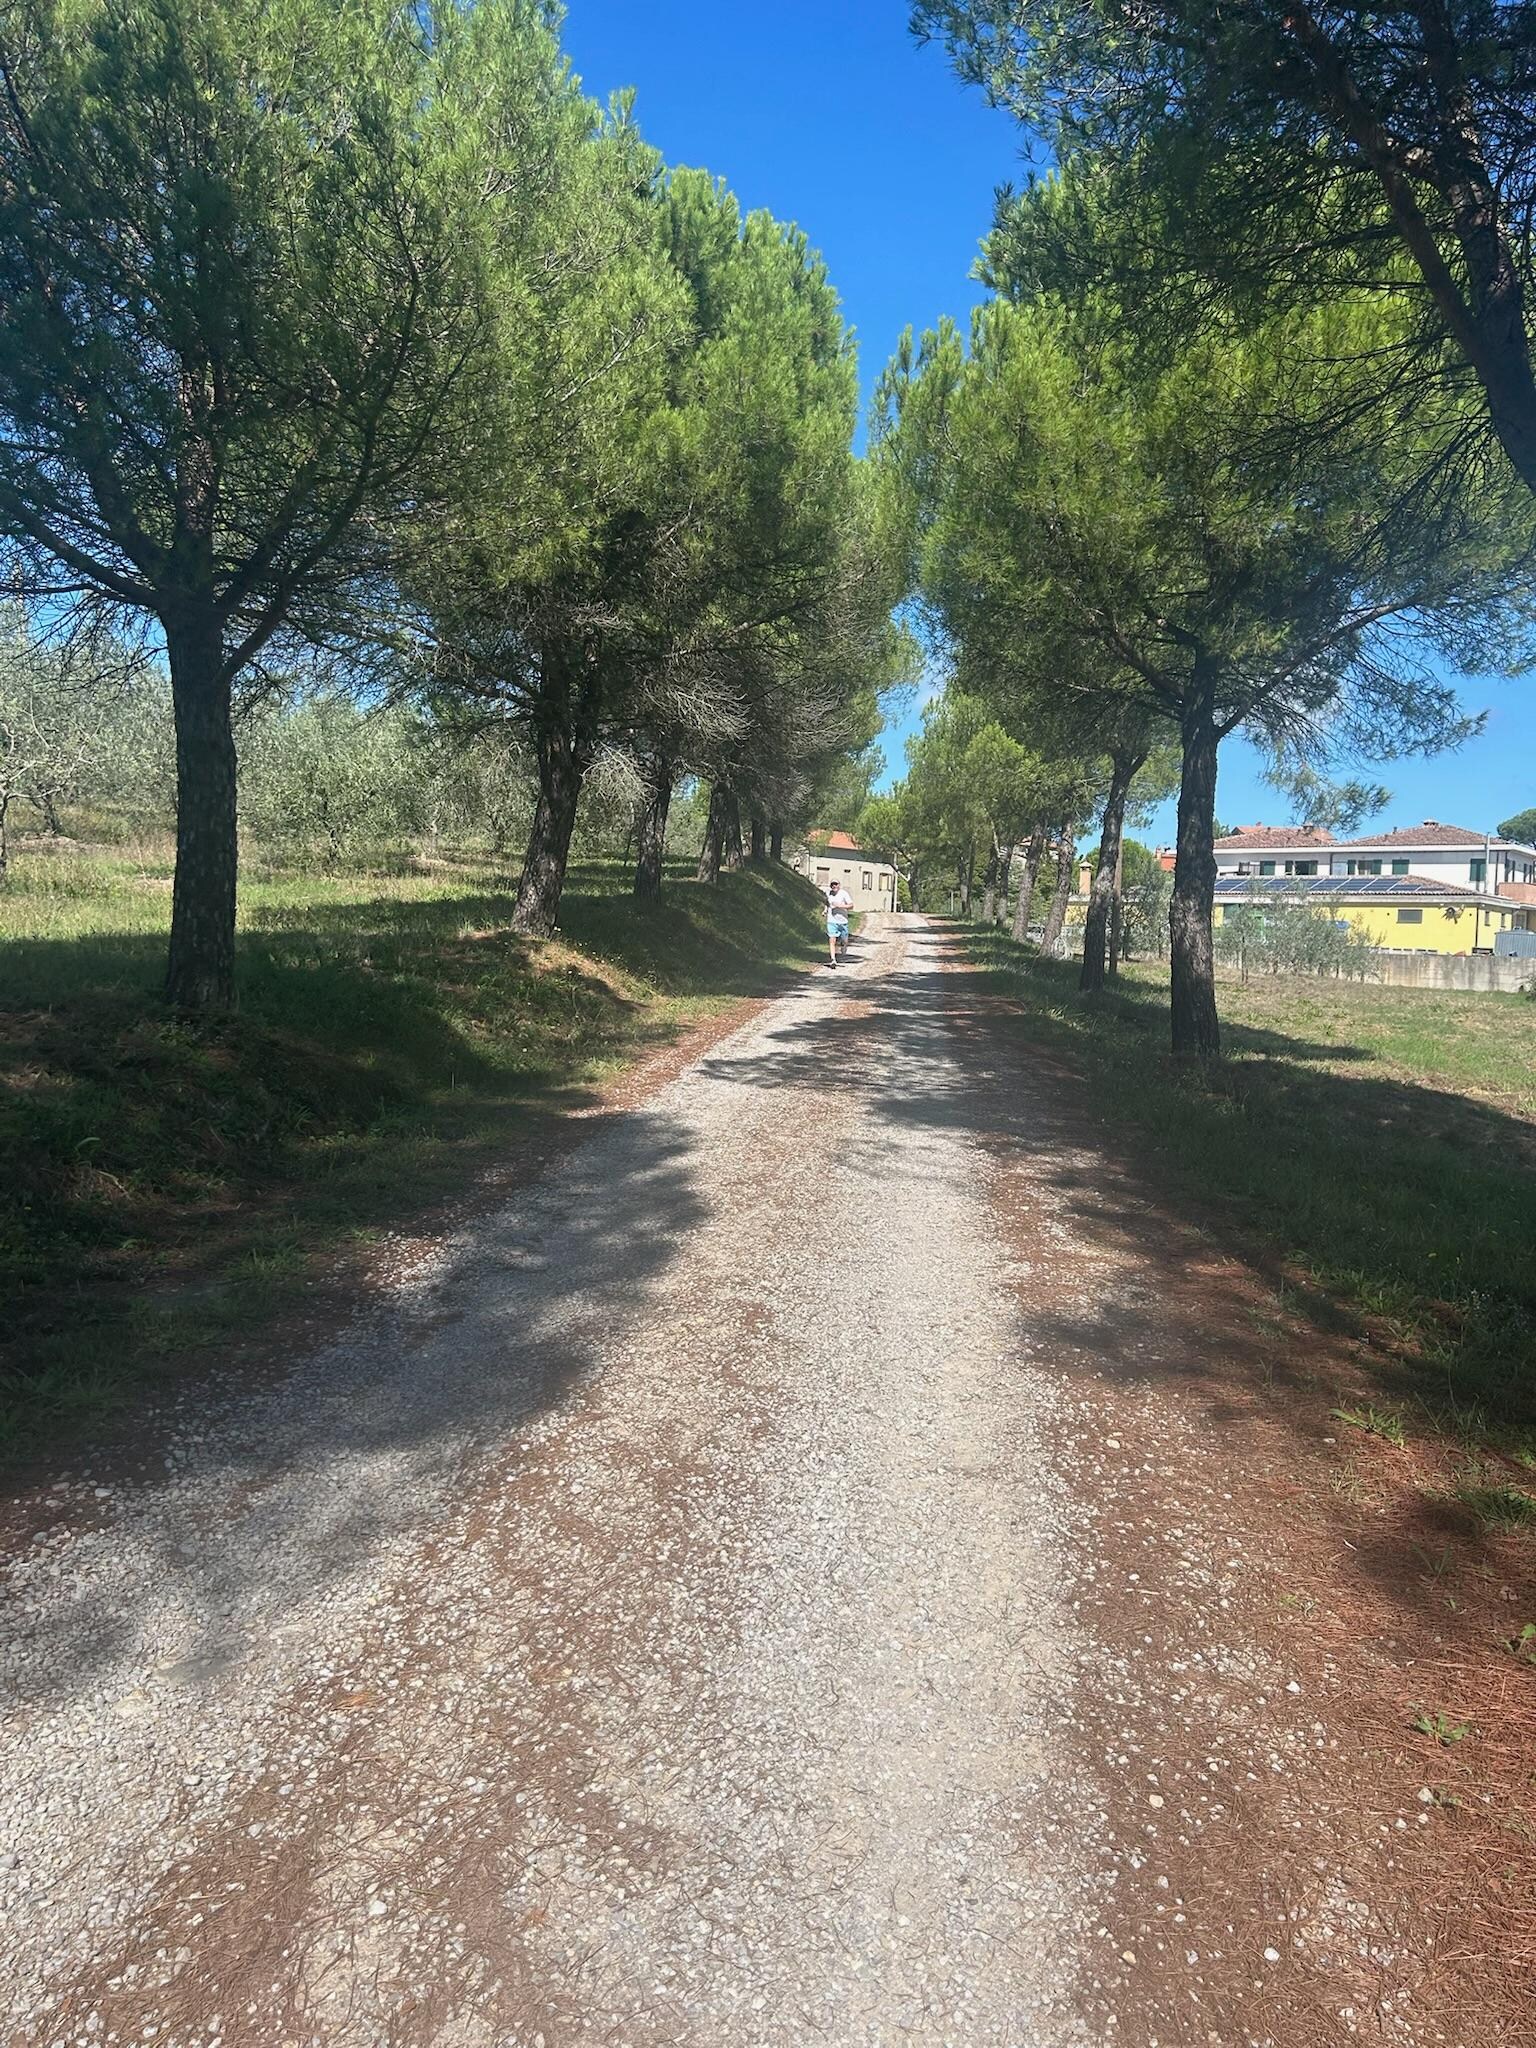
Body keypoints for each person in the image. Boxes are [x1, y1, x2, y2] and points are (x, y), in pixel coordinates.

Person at [825, 880, 852, 966]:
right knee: (832, 940)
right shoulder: (828, 893)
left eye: (836, 884)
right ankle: (833, 960)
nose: (834, 886)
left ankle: (844, 947)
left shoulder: (844, 894)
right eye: (832, 884)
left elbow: (851, 905)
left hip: (843, 921)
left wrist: (840, 905)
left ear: (839, 885)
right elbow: (827, 903)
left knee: (844, 940)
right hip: (831, 920)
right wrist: (825, 910)